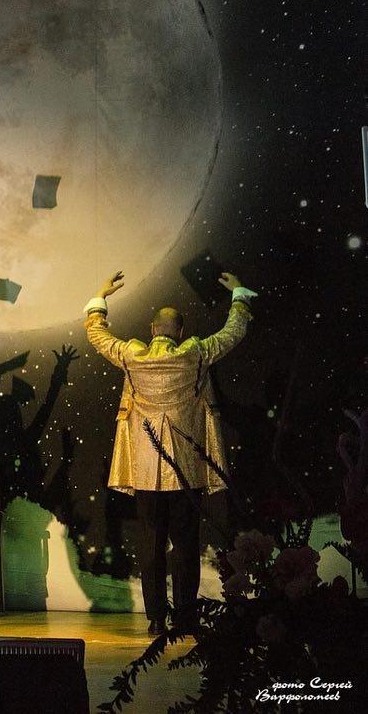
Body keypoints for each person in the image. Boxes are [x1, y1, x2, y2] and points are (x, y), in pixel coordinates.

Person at [84, 270, 255, 635]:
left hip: (146, 471)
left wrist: (101, 296)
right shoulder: (194, 354)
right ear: (180, 331)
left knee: (151, 543)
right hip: (186, 469)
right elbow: (232, 333)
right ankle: (186, 617)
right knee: (186, 544)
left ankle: (156, 618)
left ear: (152, 329)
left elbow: (97, 336)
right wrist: (238, 295)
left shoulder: (132, 356)